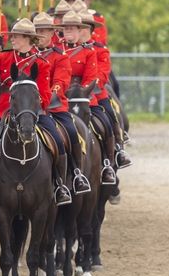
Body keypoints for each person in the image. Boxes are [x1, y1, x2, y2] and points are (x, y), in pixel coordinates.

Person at [0, 18, 72, 209]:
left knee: (58, 143)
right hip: (2, 112)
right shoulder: (4, 57)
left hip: (32, 113)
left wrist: (28, 110)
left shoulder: (41, 63)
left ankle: (60, 185)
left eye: (16, 36)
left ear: (28, 38)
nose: (12, 40)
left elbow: (44, 95)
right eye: (13, 36)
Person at [33, 12, 91, 194]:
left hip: (53, 106)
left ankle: (74, 174)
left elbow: (60, 83)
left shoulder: (60, 56)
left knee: (71, 133)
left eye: (45, 31)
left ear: (52, 33)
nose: (41, 35)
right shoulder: (25, 55)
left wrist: (43, 99)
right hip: (25, 108)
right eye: (37, 31)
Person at [58, 10, 117, 185]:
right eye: (66, 28)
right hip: (60, 96)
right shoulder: (56, 50)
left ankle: (108, 161)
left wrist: (81, 92)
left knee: (106, 122)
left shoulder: (92, 51)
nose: (70, 32)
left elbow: (94, 77)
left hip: (85, 96)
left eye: (73, 28)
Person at [77, 10, 132, 169]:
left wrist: (87, 88)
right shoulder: (67, 50)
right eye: (78, 27)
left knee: (109, 118)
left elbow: (102, 74)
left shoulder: (100, 50)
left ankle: (115, 153)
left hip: (95, 94)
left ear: (90, 30)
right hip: (71, 97)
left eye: (84, 28)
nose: (80, 31)